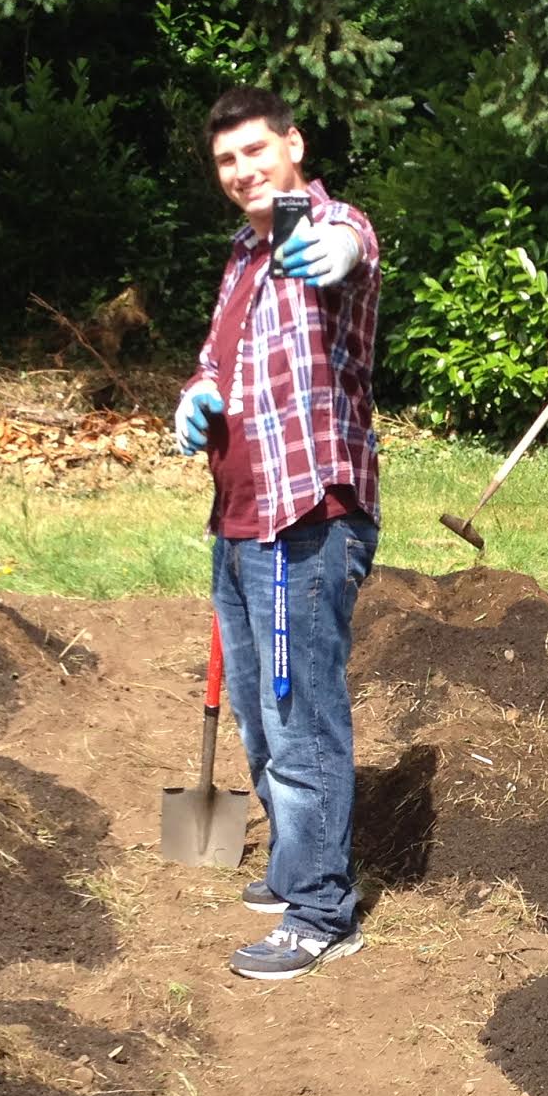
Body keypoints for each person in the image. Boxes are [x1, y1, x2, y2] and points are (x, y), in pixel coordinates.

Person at [172, 86, 382, 981]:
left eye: (257, 151)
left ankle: (323, 909)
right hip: (240, 515)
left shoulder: (331, 228)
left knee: (301, 719)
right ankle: (294, 859)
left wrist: (322, 247)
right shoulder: (241, 257)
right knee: (261, 708)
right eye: (227, 160)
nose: (243, 171)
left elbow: (347, 254)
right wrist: (195, 396)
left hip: (306, 516)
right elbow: (220, 358)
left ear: (293, 145)